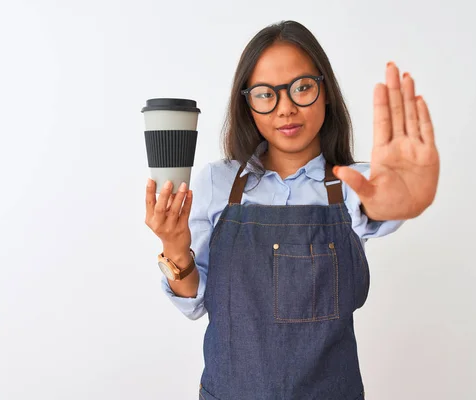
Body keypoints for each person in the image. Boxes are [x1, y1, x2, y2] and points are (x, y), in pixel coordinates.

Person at [145, 20, 439, 400]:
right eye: (266, 94)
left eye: (302, 88)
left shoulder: (355, 185)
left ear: (325, 91)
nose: (286, 109)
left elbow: (378, 205)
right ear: (247, 103)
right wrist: (173, 243)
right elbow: (195, 303)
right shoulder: (216, 183)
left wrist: (396, 203)